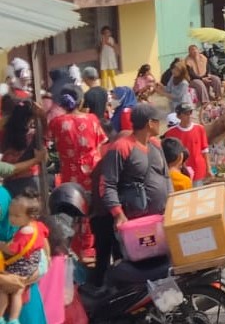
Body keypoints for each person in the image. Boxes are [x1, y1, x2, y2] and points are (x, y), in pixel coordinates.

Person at [96, 103, 171, 285]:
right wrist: (118, 214)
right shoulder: (122, 147)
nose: (160, 123)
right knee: (139, 270)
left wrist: (172, 202)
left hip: (160, 219)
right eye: (157, 120)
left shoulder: (156, 144)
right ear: (149, 124)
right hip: (135, 224)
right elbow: (108, 184)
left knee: (163, 265)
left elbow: (166, 176)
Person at [0, 191, 47, 324]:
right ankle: (12, 320)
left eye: (15, 216)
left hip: (22, 268)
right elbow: (45, 235)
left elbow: (12, 249)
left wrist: (2, 245)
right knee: (17, 291)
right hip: (31, 266)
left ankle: (4, 318)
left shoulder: (23, 232)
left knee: (7, 290)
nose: (11, 219)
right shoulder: (37, 226)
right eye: (11, 214)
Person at [48, 86, 107, 193]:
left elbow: (46, 137)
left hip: (69, 174)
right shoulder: (92, 119)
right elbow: (100, 144)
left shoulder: (56, 123)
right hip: (92, 172)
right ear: (81, 102)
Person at [1, 100, 41, 197]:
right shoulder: (33, 135)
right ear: (30, 119)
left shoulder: (4, 132)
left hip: (8, 180)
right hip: (29, 179)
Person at [165, 103, 209, 185]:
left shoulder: (199, 129)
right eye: (185, 113)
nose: (189, 115)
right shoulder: (170, 133)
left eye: (190, 112)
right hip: (180, 172)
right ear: (178, 116)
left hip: (198, 170)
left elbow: (205, 150)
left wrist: (208, 169)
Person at [99, 25, 120, 90]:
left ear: (110, 33)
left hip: (110, 59)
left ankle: (115, 88)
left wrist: (107, 42)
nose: (106, 34)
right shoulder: (101, 39)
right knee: (104, 76)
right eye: (105, 32)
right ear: (103, 33)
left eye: (108, 32)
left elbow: (114, 46)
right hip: (104, 59)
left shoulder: (111, 39)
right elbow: (101, 48)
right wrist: (103, 41)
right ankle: (104, 89)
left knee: (112, 75)